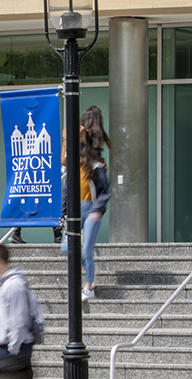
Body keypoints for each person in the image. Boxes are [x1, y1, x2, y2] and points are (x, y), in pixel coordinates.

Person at [66, 107, 111, 303]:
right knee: (66, 247)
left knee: (86, 250)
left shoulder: (95, 162)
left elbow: (105, 188)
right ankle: (84, 274)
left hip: (91, 208)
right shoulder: (76, 163)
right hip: (77, 207)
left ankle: (89, 286)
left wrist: (98, 210)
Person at [0, 243, 39, 379]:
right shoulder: (6, 283)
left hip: (11, 348)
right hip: (9, 347)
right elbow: (10, 316)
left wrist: (13, 351)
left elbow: (19, 320)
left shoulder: (13, 285)